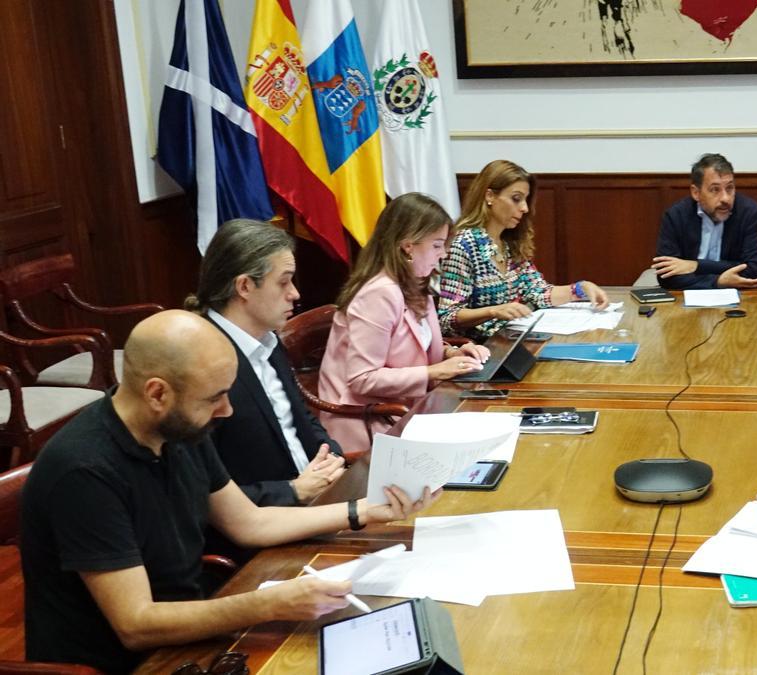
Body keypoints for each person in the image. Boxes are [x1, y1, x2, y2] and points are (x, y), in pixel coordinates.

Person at [21, 310, 435, 674]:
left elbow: (248, 522)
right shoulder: (84, 470)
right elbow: (136, 625)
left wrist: (362, 510)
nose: (227, 411)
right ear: (157, 393)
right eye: (216, 397)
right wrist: (271, 605)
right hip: (128, 661)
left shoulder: (180, 427)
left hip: (192, 634)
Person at [187, 220, 345, 511]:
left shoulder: (267, 340)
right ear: (245, 286)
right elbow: (201, 493)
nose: (295, 294)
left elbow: (301, 418)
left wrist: (330, 455)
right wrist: (293, 491)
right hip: (266, 527)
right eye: (284, 282)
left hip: (317, 500)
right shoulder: (201, 362)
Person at [320, 193, 491, 452]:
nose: (444, 254)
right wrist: (434, 372)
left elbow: (410, 345)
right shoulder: (378, 293)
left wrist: (452, 353)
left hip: (409, 407)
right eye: (437, 245)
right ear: (408, 245)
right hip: (368, 418)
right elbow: (362, 379)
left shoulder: (414, 283)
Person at [438, 160, 609, 341]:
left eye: (525, 200)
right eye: (516, 199)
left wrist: (580, 288)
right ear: (490, 196)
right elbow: (448, 316)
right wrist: (493, 311)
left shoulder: (510, 243)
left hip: (513, 341)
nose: (524, 208)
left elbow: (537, 293)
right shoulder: (463, 245)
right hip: (481, 349)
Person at [651, 153, 757, 290]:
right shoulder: (676, 216)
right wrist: (718, 282)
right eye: (715, 190)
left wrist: (695, 266)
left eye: (729, 188)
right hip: (687, 297)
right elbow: (666, 276)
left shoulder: (749, 212)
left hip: (739, 296)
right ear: (696, 193)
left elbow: (752, 271)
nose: (726, 198)